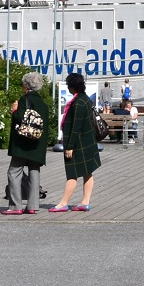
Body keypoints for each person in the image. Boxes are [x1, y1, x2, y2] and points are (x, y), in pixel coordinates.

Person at [49, 72, 101, 212]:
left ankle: (63, 203)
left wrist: (69, 147)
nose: (68, 88)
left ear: (73, 86)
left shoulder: (77, 103)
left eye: (68, 85)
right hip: (88, 142)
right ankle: (85, 202)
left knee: (72, 174)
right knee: (87, 172)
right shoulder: (85, 99)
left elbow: (75, 126)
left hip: (79, 144)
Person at [3, 72, 50, 215]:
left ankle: (15, 206)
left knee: (13, 172)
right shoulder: (43, 104)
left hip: (23, 144)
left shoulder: (24, 100)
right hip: (37, 145)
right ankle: (32, 206)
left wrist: (14, 109)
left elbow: (20, 118)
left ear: (26, 86)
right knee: (34, 172)